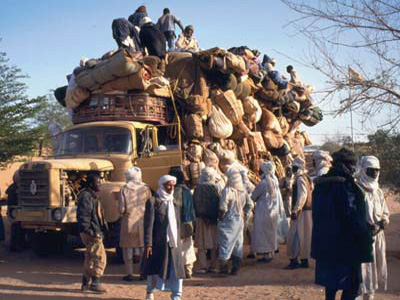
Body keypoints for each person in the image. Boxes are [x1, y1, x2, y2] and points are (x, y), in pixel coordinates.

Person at [312, 148, 374, 300]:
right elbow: (352, 216)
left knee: (331, 285)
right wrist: (365, 234)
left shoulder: (320, 185)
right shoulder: (347, 187)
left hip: (326, 245)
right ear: (342, 165)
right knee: (353, 286)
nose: (353, 168)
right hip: (346, 247)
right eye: (350, 164)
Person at [142, 175, 185, 300]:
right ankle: (150, 291)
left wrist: (179, 240)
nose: (171, 188)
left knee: (176, 269)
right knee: (154, 268)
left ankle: (176, 295)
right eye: (168, 185)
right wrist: (148, 244)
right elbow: (148, 225)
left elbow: (177, 224)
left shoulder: (174, 202)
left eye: (172, 185)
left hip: (173, 243)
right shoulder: (153, 202)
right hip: (158, 243)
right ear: (162, 186)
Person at [356, 156, 390, 300]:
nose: (375, 173)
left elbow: (385, 213)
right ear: (364, 170)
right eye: (371, 170)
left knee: (374, 270)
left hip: (377, 236)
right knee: (361, 273)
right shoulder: (357, 189)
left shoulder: (378, 192)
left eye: (377, 170)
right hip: (362, 237)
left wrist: (381, 224)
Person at [218, 165, 253, 275]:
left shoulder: (227, 190)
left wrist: (221, 218)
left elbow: (223, 207)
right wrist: (245, 216)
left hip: (229, 220)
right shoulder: (243, 190)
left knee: (225, 243)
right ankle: (235, 268)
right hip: (240, 220)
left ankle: (224, 269)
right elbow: (250, 205)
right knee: (238, 243)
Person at [119, 167, 151, 282]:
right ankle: (144, 272)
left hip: (128, 222)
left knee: (128, 250)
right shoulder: (146, 188)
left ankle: (129, 273)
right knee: (143, 249)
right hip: (142, 222)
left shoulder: (124, 189)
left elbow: (121, 209)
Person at [77, 172, 108, 293]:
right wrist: (91, 231)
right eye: (97, 182)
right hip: (91, 232)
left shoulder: (91, 195)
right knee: (100, 258)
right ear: (90, 184)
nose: (100, 184)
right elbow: (84, 215)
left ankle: (85, 283)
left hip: (92, 230)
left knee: (90, 257)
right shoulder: (86, 196)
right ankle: (96, 282)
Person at [285, 156, 313, 269]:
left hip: (301, 212)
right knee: (305, 236)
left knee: (295, 235)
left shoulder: (300, 178)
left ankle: (294, 260)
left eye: (294, 167)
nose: (293, 169)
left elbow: (303, 195)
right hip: (307, 211)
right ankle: (304, 260)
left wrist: (296, 210)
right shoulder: (307, 178)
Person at [252, 161, 282, 262]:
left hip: (263, 212)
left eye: (260, 170)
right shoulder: (274, 182)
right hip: (272, 212)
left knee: (263, 234)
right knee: (270, 233)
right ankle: (270, 253)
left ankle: (266, 256)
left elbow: (253, 196)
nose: (258, 171)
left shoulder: (263, 183)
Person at [193, 167, 221, 274]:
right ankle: (214, 266)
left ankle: (203, 266)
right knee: (213, 244)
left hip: (201, 219)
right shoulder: (216, 188)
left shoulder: (198, 189)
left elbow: (195, 204)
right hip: (213, 220)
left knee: (201, 245)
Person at [169, 168, 196, 279]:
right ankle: (188, 269)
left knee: (177, 248)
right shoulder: (187, 191)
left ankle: (178, 271)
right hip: (188, 223)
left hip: (175, 224)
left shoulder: (171, 192)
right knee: (188, 246)